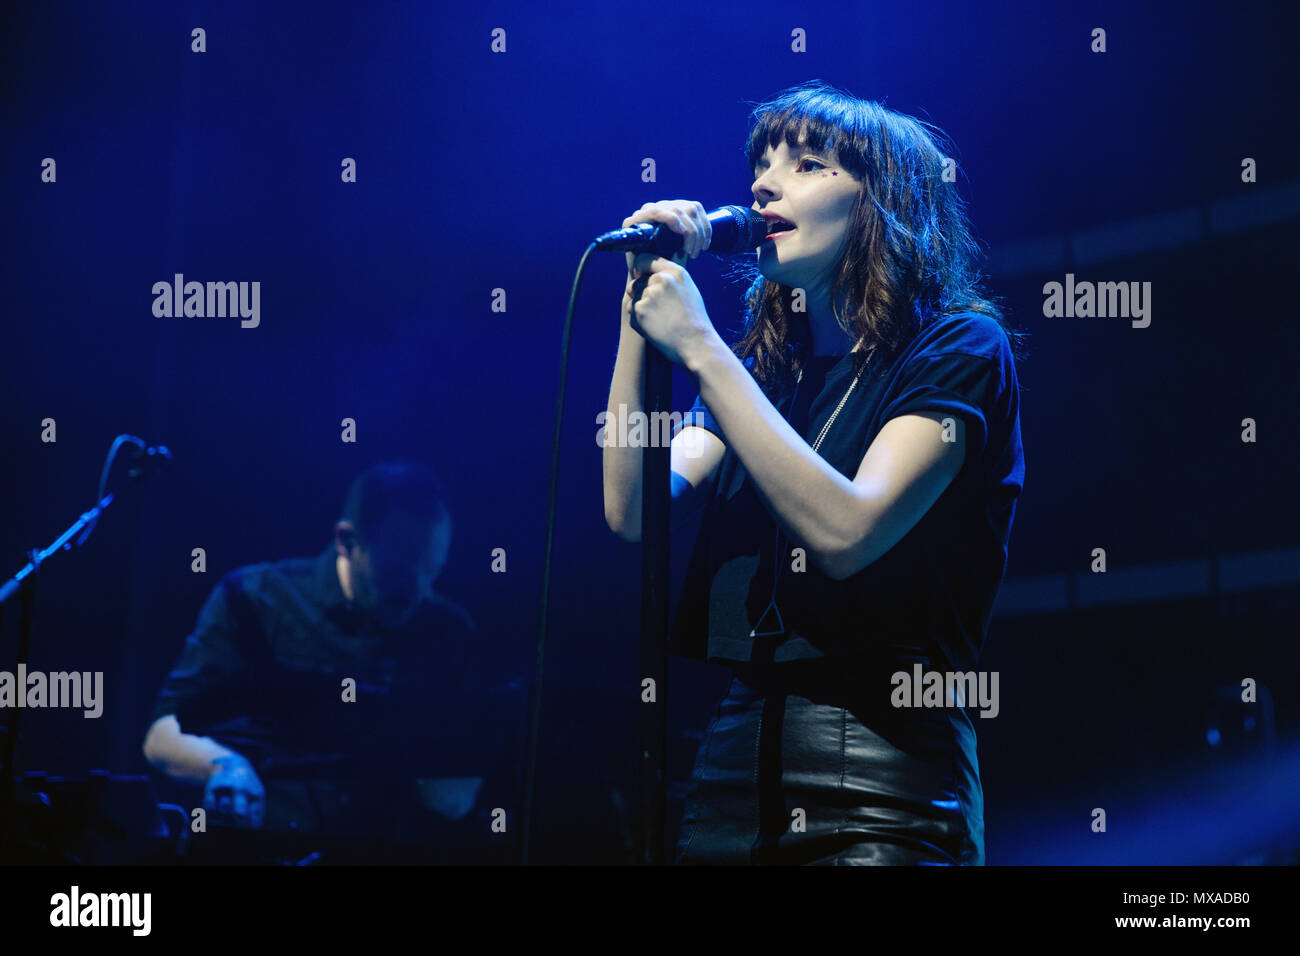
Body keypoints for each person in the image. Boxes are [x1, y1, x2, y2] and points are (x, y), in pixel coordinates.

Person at [602, 81, 1026, 865]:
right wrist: (641, 301)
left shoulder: (960, 351)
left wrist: (700, 348)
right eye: (760, 164)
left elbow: (847, 531)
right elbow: (634, 510)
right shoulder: (763, 376)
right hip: (734, 759)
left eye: (805, 164)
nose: (763, 182)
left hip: (884, 765)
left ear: (880, 199)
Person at [142, 460, 517, 862]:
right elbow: (162, 734)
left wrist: (440, 767)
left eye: (433, 569)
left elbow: (458, 795)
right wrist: (224, 766)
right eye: (400, 571)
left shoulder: (449, 631)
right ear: (347, 540)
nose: (419, 589)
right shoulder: (254, 598)